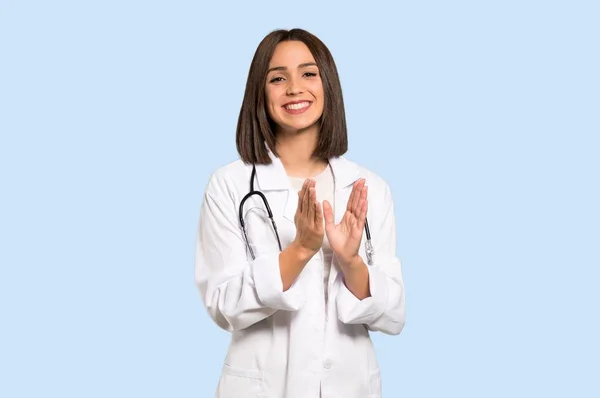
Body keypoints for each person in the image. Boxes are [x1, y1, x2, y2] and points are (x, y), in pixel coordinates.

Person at [194, 28, 406, 398]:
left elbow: (392, 314)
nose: (295, 88)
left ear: (328, 85)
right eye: (278, 78)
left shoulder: (368, 187)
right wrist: (301, 250)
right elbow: (223, 306)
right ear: (260, 92)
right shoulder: (230, 185)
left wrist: (350, 260)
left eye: (309, 73)